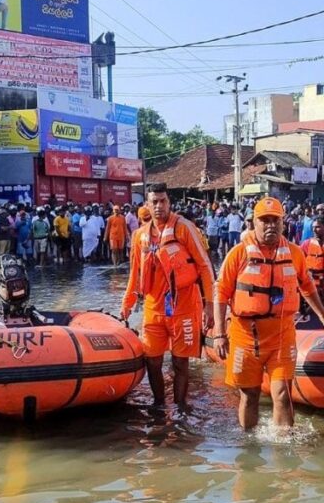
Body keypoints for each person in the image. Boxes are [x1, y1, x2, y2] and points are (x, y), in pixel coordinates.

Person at [213, 197, 324, 429]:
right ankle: (249, 450)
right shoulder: (238, 253)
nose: (271, 225)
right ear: (254, 222)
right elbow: (221, 294)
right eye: (265, 220)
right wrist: (220, 334)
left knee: (283, 393)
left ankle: (284, 455)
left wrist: (322, 316)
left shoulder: (294, 253)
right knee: (249, 395)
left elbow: (307, 287)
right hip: (245, 335)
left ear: (283, 223)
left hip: (282, 334)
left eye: (276, 220)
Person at [121, 183, 215, 406]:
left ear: (169, 203)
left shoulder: (184, 228)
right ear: (147, 204)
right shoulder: (139, 236)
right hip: (153, 308)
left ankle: (181, 408)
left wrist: (210, 305)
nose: (159, 206)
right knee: (152, 360)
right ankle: (159, 405)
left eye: (163, 201)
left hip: (184, 306)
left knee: (180, 363)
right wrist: (126, 306)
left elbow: (204, 267)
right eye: (154, 201)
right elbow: (135, 274)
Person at [300, 217, 324, 301]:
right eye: (313, 227)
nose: (314, 230)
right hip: (311, 285)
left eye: (317, 227)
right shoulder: (306, 244)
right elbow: (298, 263)